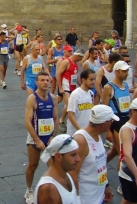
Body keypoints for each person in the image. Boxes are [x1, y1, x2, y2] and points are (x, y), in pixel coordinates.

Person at [69, 105, 118, 204]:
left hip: (99, 196)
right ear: (104, 124)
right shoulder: (81, 140)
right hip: (86, 199)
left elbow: (100, 163)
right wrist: (77, 199)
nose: (112, 123)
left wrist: (106, 186)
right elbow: (72, 173)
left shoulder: (97, 136)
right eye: (111, 121)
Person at [24, 71, 59, 204]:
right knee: (33, 165)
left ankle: (50, 190)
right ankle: (29, 190)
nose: (45, 82)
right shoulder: (32, 99)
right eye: (42, 80)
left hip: (49, 137)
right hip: (35, 137)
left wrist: (53, 136)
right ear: (37, 83)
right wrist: (37, 140)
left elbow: (56, 118)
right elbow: (27, 122)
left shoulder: (53, 98)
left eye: (47, 80)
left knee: (53, 166)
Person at [102, 60, 131, 194]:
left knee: (115, 151)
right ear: (117, 71)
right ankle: (122, 184)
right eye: (124, 71)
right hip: (115, 123)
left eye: (127, 71)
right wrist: (107, 129)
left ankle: (99, 165)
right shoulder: (109, 87)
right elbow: (104, 107)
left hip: (126, 121)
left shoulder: (125, 85)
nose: (126, 73)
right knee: (124, 155)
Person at [34, 134, 80, 204]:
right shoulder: (48, 189)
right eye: (73, 155)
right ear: (58, 157)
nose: (78, 159)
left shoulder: (67, 174)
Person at [56, 48, 85, 133]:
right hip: (66, 87)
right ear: (77, 55)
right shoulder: (66, 62)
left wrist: (81, 85)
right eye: (80, 58)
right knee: (70, 107)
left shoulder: (76, 63)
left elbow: (75, 76)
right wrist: (60, 87)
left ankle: (61, 120)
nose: (80, 60)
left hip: (73, 87)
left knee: (67, 105)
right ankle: (71, 125)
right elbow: (58, 73)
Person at [66, 69, 96, 136]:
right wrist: (80, 131)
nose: (93, 82)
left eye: (94, 79)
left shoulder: (91, 93)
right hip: (75, 134)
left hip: (87, 132)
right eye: (91, 79)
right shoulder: (75, 94)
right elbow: (70, 115)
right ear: (83, 80)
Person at [47, 35, 64, 100]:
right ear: (55, 41)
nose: (60, 40)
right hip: (55, 70)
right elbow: (48, 61)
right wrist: (56, 60)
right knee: (53, 87)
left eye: (61, 39)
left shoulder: (64, 49)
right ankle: (50, 99)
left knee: (63, 86)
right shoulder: (52, 49)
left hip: (62, 70)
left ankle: (63, 99)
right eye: (59, 39)